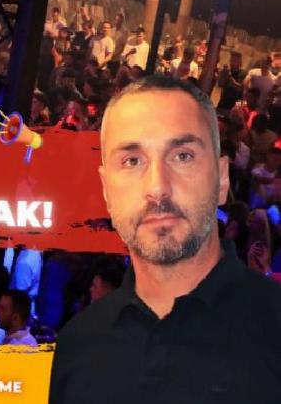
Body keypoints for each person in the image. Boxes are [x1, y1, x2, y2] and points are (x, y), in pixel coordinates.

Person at [49, 75, 281, 403]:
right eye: (132, 161)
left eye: (182, 156)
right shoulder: (77, 345)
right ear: (106, 190)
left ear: (222, 179)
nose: (157, 187)